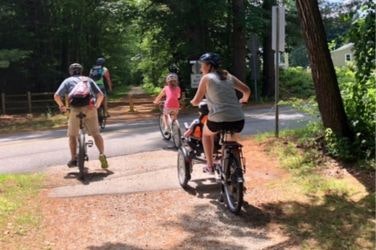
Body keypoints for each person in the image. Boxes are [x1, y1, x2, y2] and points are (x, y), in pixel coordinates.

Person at [190, 52, 251, 174]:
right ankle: (232, 160)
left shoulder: (206, 78)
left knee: (206, 135)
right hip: (239, 120)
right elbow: (247, 90)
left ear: (209, 65)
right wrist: (243, 100)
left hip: (217, 120)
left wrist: (192, 102)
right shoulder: (228, 76)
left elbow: (196, 101)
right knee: (230, 138)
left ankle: (210, 166)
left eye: (202, 65)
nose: (201, 68)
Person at [54, 63, 109, 169]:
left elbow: (56, 96)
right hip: (89, 108)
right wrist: (96, 106)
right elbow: (100, 95)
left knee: (72, 135)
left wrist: (62, 106)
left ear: (71, 72)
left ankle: (74, 158)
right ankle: (102, 154)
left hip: (75, 110)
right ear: (81, 71)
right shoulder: (88, 80)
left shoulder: (67, 81)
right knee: (96, 134)